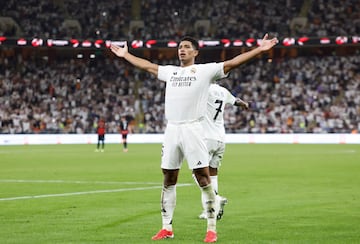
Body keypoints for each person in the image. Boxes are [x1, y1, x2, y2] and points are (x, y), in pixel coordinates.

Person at [110, 33, 278, 243]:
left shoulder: (205, 71)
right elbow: (148, 66)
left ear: (195, 52)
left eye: (187, 47)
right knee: (168, 179)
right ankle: (166, 227)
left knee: (203, 178)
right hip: (172, 130)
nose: (182, 49)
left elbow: (233, 63)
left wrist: (259, 50)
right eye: (180, 47)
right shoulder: (171, 73)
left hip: (193, 129)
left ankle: (211, 229)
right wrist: (126, 55)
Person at [195, 83, 249, 220]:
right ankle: (210, 210)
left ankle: (216, 199)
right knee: (212, 175)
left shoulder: (203, 88)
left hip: (206, 138)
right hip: (220, 138)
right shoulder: (223, 91)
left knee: (199, 174)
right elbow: (236, 101)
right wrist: (245, 104)